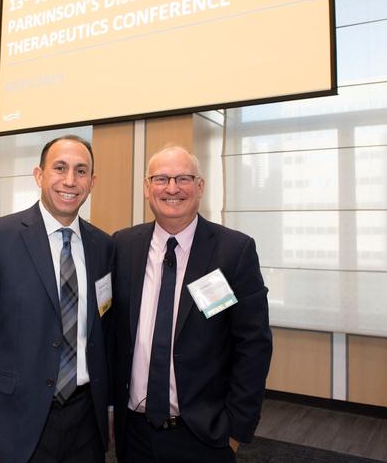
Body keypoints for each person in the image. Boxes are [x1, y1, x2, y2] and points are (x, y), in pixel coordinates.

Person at [0, 136, 113, 463]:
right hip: (16, 423)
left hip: (86, 425)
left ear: (92, 182)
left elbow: (104, 333)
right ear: (39, 175)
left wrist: (107, 406)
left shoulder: (103, 246)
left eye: (81, 171)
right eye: (60, 168)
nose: (70, 180)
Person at [111, 146, 272, 463]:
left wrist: (236, 430)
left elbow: (253, 345)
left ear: (199, 187)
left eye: (183, 178)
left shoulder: (234, 250)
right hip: (135, 432)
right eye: (161, 179)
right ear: (147, 188)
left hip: (203, 435)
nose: (172, 188)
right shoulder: (122, 245)